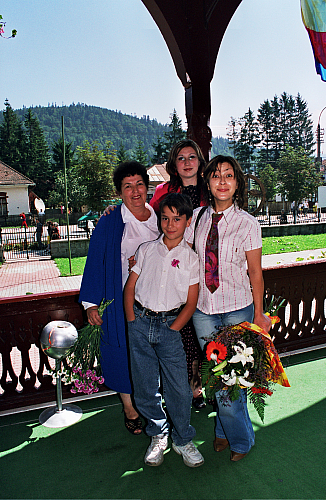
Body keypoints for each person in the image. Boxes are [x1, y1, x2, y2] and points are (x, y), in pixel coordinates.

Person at [185, 155, 271, 462]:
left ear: (237, 184)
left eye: (229, 176)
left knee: (231, 378)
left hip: (237, 309)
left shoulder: (248, 224)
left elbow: (256, 273)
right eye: (216, 176)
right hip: (203, 311)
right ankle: (223, 432)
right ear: (207, 182)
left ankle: (241, 440)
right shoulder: (194, 218)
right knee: (215, 376)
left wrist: (259, 314)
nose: (222, 181)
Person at [124, 193, 204, 468]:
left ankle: (183, 438)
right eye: (165, 218)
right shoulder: (146, 250)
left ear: (187, 221)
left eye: (177, 219)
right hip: (141, 324)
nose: (170, 224)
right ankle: (158, 434)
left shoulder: (192, 259)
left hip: (170, 329)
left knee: (179, 388)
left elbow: (191, 301)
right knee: (145, 386)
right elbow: (130, 287)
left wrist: (174, 328)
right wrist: (132, 320)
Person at [79, 161, 160, 435]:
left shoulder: (160, 216)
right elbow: (94, 262)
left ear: (147, 187)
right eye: (128, 186)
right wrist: (91, 303)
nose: (135, 191)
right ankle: (129, 406)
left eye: (139, 184)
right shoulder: (110, 221)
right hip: (120, 298)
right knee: (121, 351)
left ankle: (153, 405)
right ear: (119, 192)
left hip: (156, 300)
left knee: (152, 353)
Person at [149, 139, 207, 408]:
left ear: (200, 161)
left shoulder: (210, 189)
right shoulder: (163, 191)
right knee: (180, 332)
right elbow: (146, 220)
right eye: (181, 158)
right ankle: (183, 389)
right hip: (172, 269)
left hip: (205, 269)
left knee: (201, 332)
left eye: (192, 157)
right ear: (174, 163)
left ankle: (201, 385)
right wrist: (115, 210)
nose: (186, 162)